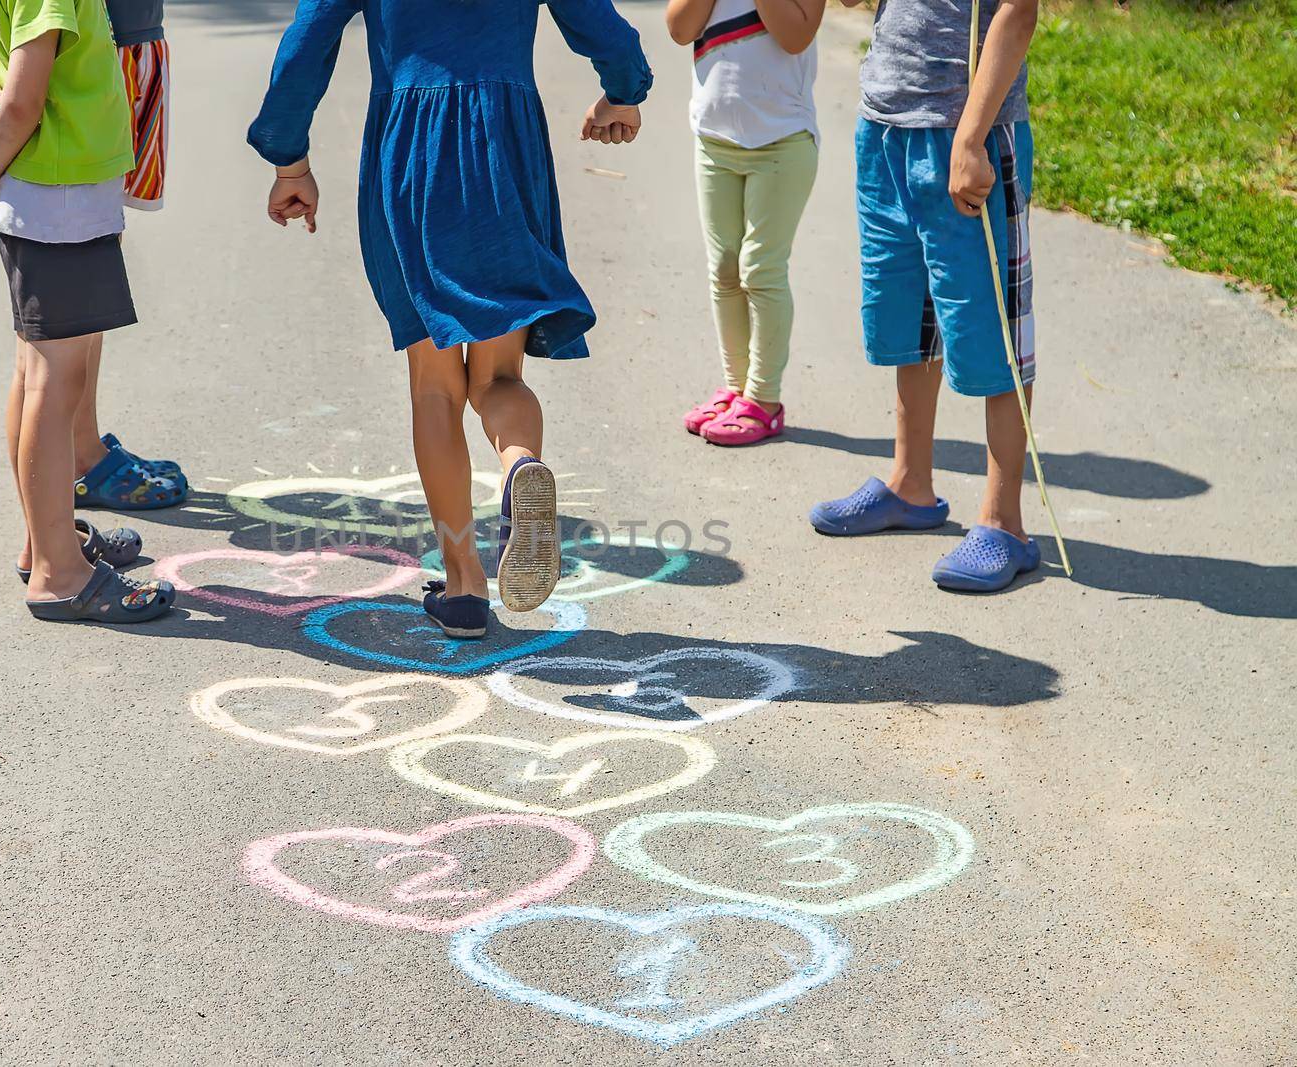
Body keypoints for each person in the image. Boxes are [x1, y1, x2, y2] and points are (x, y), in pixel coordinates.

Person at [247, 0, 652, 639]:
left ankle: (464, 586)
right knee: (498, 378)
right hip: (504, 147)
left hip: (410, 149)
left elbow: (306, 41)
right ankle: (520, 467)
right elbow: (596, 19)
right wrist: (622, 92)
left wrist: (288, 157)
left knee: (435, 387)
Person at [0, 0, 175, 622]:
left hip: (51, 190)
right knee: (58, 376)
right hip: (59, 196)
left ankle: (45, 541)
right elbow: (21, 98)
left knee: (36, 369)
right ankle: (59, 574)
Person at [811, 0, 1042, 592]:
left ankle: (1004, 523)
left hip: (967, 135)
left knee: (988, 326)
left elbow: (1017, 13)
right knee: (907, 314)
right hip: (887, 123)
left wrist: (971, 138)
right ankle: (911, 484)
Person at [667, 0, 825, 446]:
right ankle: (736, 389)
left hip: (782, 141)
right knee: (724, 269)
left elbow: (796, 35)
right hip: (715, 142)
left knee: (761, 268)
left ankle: (764, 400)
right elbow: (680, 29)